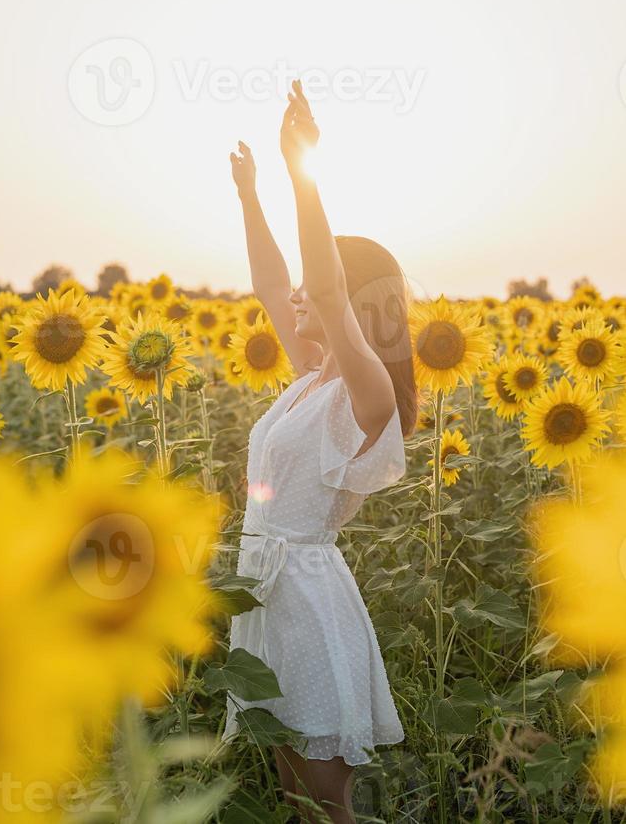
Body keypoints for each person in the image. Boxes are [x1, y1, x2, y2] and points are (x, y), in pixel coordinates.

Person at [222, 80, 419, 823]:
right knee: (293, 793)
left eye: (321, 282)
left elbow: (328, 295)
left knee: (328, 803)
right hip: (263, 596)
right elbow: (274, 282)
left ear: (357, 304)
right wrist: (250, 195)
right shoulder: (308, 384)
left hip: (306, 599)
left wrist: (302, 170)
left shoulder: (362, 398)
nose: (299, 293)